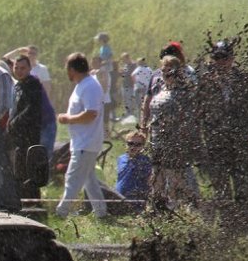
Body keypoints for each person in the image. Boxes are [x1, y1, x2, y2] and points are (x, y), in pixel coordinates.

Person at [196, 39, 248, 228]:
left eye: (224, 57)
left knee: (242, 183)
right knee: (220, 184)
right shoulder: (205, 82)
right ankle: (227, 223)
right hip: (216, 142)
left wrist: (243, 124)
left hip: (240, 141)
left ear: (232, 58)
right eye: (217, 58)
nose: (220, 62)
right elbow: (198, 111)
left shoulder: (246, 81)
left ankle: (244, 223)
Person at [55, 52, 108, 219]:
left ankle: (61, 212)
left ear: (72, 69)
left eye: (67, 69)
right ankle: (101, 213)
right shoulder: (84, 84)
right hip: (82, 141)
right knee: (89, 180)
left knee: (73, 178)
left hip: (86, 142)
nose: (67, 73)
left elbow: (91, 113)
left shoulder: (90, 86)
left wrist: (67, 119)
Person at [145, 55, 200, 210]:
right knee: (157, 179)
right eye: (162, 69)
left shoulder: (183, 92)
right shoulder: (160, 88)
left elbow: (189, 118)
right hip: (157, 141)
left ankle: (191, 206)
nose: (164, 73)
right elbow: (153, 112)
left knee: (178, 178)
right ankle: (158, 211)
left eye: (168, 70)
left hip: (174, 142)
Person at [8, 54, 45, 197]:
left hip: (29, 137)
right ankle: (21, 201)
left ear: (29, 68)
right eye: (16, 68)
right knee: (19, 171)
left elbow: (31, 110)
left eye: (23, 68)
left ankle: (33, 205)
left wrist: (14, 122)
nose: (19, 71)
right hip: (18, 137)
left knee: (30, 172)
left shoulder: (33, 85)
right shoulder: (18, 86)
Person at [115, 130, 153, 212]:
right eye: (130, 143)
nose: (133, 147)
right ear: (126, 144)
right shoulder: (121, 158)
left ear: (142, 146)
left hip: (135, 201)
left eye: (138, 145)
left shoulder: (145, 161)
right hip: (118, 197)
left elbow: (149, 181)